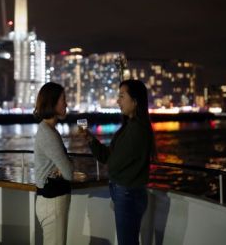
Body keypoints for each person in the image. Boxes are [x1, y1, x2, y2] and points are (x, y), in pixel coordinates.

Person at [80, 79, 155, 245]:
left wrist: (110, 161)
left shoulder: (136, 130)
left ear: (135, 101)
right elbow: (108, 157)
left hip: (127, 194)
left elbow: (112, 162)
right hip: (128, 192)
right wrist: (91, 139)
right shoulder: (131, 127)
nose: (117, 101)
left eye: (122, 96)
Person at [34, 82, 74, 245]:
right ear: (53, 102)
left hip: (50, 201)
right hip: (53, 203)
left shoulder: (47, 129)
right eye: (63, 99)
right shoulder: (48, 133)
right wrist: (65, 166)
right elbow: (69, 172)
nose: (66, 103)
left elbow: (63, 167)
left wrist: (62, 166)